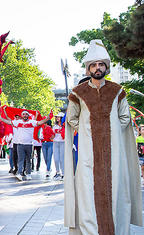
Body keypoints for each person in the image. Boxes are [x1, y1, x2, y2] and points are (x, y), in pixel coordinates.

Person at [64, 39, 142, 234]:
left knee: (116, 193)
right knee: (88, 196)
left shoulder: (117, 91)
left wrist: (112, 130)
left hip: (114, 155)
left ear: (106, 67)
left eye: (101, 65)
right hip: (88, 157)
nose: (97, 68)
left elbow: (125, 117)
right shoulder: (78, 93)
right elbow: (71, 118)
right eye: (93, 65)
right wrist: (87, 130)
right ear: (88, 68)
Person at [0, 110, 50, 181]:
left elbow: (40, 122)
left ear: (28, 115)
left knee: (28, 160)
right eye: (24, 114)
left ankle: (28, 173)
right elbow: (8, 121)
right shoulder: (18, 122)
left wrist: (47, 118)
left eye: (26, 114)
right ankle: (20, 173)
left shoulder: (32, 122)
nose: (25, 115)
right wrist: (0, 118)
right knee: (20, 160)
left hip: (29, 144)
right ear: (22, 116)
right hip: (20, 145)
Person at [53, 112, 65, 180]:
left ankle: (63, 174)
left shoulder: (65, 126)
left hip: (62, 143)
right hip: (55, 143)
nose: (57, 118)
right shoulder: (55, 126)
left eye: (59, 117)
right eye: (56, 117)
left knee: (62, 159)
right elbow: (52, 135)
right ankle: (57, 172)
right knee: (56, 159)